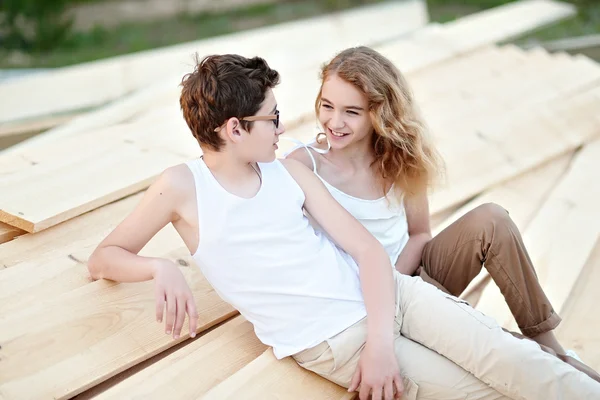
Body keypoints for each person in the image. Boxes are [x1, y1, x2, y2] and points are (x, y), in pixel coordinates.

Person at [87, 53, 600, 400]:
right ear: (234, 128)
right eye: (271, 118)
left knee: (516, 361)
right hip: (335, 338)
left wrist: (382, 340)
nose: (283, 126)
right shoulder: (181, 186)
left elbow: (369, 253)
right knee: (483, 394)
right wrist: (160, 268)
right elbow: (104, 255)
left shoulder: (283, 167)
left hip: (391, 297)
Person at [284, 46, 600, 383]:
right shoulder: (305, 165)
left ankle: (548, 341)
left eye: (352, 112)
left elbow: (420, 233)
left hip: (414, 278)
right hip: (362, 301)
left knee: (491, 218)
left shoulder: (400, 159)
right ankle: (558, 364)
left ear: (379, 113)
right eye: (327, 106)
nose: (334, 121)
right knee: (516, 356)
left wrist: (395, 279)